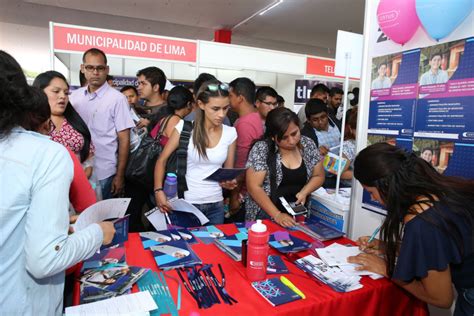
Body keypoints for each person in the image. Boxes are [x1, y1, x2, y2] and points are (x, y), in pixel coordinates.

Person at [0, 50, 115, 315]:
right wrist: (98, 232)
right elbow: (46, 258)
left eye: (65, 91)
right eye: (55, 92)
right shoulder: (46, 153)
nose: (62, 97)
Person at [348, 143, 474, 315]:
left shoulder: (422, 222)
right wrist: (387, 246)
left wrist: (387, 269)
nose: (373, 198)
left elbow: (442, 299)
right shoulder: (438, 189)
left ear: (387, 186)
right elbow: (439, 249)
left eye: (371, 192)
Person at [154, 80, 238, 225]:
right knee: (187, 247)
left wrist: (229, 183)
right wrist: (158, 191)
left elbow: (227, 172)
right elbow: (162, 160)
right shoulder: (185, 128)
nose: (221, 114)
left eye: (225, 108)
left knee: (212, 247)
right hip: (187, 204)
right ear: (201, 105)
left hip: (216, 204)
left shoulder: (230, 133)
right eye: (215, 108)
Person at [125, 85, 194, 232]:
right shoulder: (177, 122)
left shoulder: (164, 117)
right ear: (189, 105)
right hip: (159, 175)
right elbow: (169, 155)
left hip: (148, 173)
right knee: (162, 215)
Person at [70, 48, 135, 199]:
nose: (95, 72)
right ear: (82, 68)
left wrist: (120, 176)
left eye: (100, 68)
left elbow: (124, 139)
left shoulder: (117, 99)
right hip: (78, 171)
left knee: (101, 218)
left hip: (105, 172)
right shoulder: (75, 97)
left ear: (107, 70)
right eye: (90, 68)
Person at [245, 107, 325, 226]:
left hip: (297, 216)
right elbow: (254, 187)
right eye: (284, 138)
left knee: (296, 243)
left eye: (294, 133)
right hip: (265, 216)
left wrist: (304, 192)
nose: (292, 141)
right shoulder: (262, 149)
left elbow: (319, 175)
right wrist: (277, 215)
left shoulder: (307, 144)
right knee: (271, 242)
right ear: (273, 137)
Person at [33, 71, 95, 178]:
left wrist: (82, 179)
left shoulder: (75, 120)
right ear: (39, 92)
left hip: (78, 185)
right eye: (56, 91)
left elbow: (88, 156)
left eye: (66, 93)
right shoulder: (31, 124)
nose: (63, 96)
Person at [228, 77, 263, 218]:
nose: (228, 99)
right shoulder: (255, 117)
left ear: (240, 98)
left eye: (230, 95)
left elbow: (241, 165)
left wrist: (234, 196)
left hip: (243, 193)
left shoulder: (244, 124)